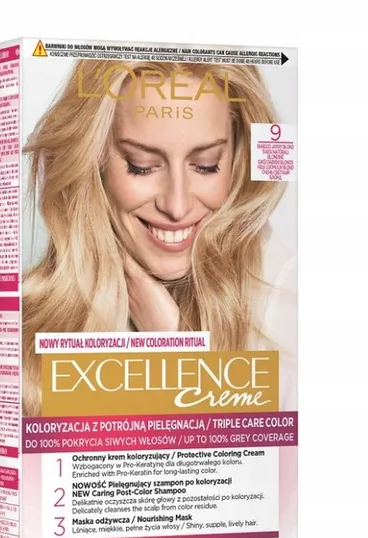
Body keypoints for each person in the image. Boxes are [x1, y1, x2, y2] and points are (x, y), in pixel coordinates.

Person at [22, 59, 297, 416]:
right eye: (142, 166)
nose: (177, 207)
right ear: (94, 160)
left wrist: (177, 348)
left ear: (236, 158)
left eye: (206, 165)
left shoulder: (285, 297)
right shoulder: (25, 322)